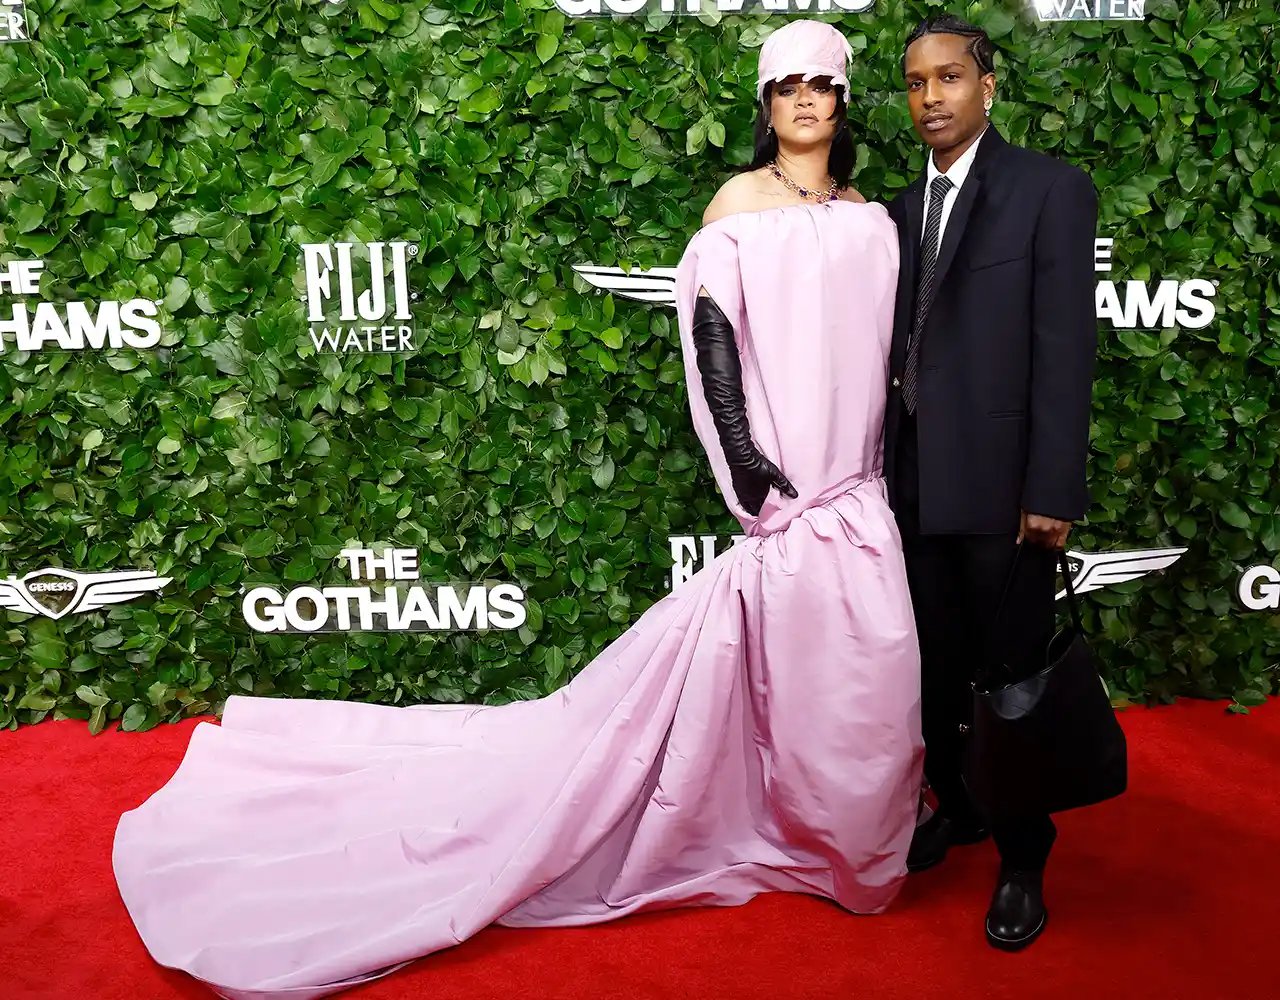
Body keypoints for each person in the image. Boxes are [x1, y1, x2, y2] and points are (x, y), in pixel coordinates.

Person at [110, 20, 922, 999]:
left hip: (862, 501)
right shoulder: (735, 206)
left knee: (864, 688)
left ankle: (850, 844)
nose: (804, 100)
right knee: (798, 683)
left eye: (821, 84)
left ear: (843, 99)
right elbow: (713, 340)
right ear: (765, 103)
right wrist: (746, 463)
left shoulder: (874, 214)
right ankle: (797, 827)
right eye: (785, 84)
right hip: (790, 508)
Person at [883, 15, 1100, 950]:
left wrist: (1051, 489)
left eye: (950, 78)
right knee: (931, 670)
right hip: (912, 484)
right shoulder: (895, 208)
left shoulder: (1049, 190)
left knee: (1009, 677)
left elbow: (1065, 350)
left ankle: (1022, 852)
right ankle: (963, 807)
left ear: (988, 85)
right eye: (917, 83)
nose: (932, 97)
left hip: (1009, 492)